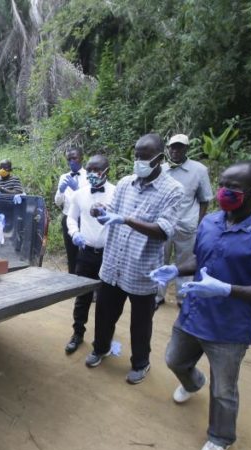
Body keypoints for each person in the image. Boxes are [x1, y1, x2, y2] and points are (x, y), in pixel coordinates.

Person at [150, 161, 251, 450]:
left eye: (234, 187)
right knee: (174, 359)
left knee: (224, 388)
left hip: (229, 325)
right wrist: (176, 268)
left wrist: (230, 290)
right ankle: (192, 383)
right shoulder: (211, 222)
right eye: (223, 183)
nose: (224, 191)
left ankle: (220, 436)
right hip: (194, 312)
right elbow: (199, 260)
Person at [85, 134, 183, 384]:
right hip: (113, 263)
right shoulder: (126, 183)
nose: (138, 160)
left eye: (144, 156)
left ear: (160, 158)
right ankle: (100, 348)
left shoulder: (172, 190)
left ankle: (141, 363)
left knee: (140, 322)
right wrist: (102, 212)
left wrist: (125, 219)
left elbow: (163, 230)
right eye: (136, 155)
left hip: (141, 268)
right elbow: (113, 213)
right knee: (105, 313)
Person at [63, 155, 115, 354]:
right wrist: (75, 233)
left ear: (106, 171)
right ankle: (77, 333)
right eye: (90, 170)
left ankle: (102, 341)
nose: (93, 174)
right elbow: (71, 218)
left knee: (105, 300)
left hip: (108, 254)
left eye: (97, 170)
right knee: (82, 296)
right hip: (85, 253)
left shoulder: (117, 193)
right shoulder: (80, 194)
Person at [156, 133, 213, 310]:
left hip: (187, 223)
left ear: (186, 149)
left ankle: (183, 297)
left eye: (179, 147)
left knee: (185, 262)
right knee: (160, 259)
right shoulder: (161, 169)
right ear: (168, 149)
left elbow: (204, 199)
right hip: (163, 223)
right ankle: (157, 296)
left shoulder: (199, 170)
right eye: (172, 147)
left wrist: (199, 222)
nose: (175, 150)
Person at [55, 148, 89, 274]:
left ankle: (86, 282)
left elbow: (89, 199)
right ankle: (72, 280)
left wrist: (77, 189)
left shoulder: (89, 175)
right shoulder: (64, 177)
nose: (72, 162)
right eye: (69, 159)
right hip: (67, 217)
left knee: (86, 252)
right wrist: (61, 190)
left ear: (81, 158)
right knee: (71, 252)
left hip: (85, 218)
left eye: (74, 158)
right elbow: (58, 202)